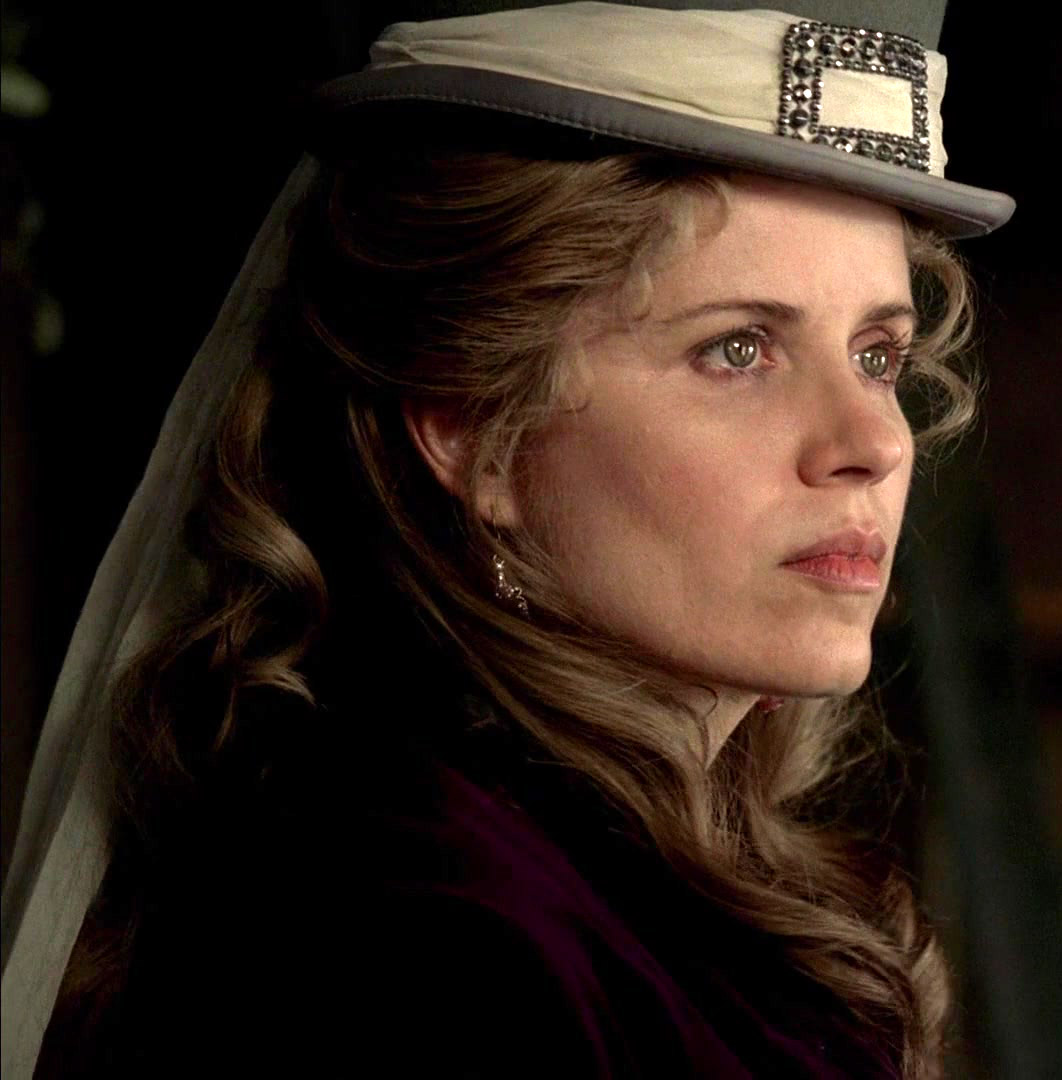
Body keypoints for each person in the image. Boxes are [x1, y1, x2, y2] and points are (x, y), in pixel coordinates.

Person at [1, 3, 1014, 1078]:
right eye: (738, 350)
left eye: (876, 355)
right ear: (472, 427)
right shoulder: (422, 943)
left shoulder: (638, 883)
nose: (872, 445)